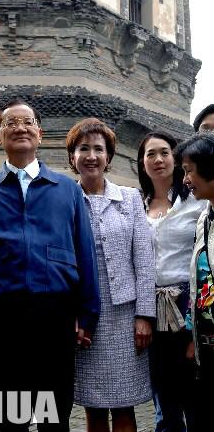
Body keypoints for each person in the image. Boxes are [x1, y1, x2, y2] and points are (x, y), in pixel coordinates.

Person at [0, 99, 100, 431]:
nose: (20, 128)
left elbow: (85, 254)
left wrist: (88, 315)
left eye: (28, 122)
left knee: (55, 416)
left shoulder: (67, 189)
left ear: (39, 132)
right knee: (12, 419)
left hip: (55, 316)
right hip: (1, 319)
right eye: (11, 123)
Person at [66, 118, 155, 432]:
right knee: (93, 406)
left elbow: (144, 260)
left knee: (124, 404)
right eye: (83, 148)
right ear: (72, 157)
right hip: (84, 317)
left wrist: (145, 315)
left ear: (109, 157)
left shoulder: (129, 199)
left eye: (99, 149)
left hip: (124, 316)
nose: (91, 155)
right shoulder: (65, 200)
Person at [137, 131, 206, 432]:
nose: (158, 160)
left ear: (176, 160)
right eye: (150, 154)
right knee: (163, 396)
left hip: (189, 302)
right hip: (150, 307)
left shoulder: (197, 203)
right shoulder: (135, 207)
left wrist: (197, 324)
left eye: (164, 152)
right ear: (142, 163)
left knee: (195, 394)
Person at [174, 132, 214, 430]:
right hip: (206, 346)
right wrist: (192, 332)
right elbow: (199, 278)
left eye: (189, 170)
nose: (185, 179)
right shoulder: (205, 218)